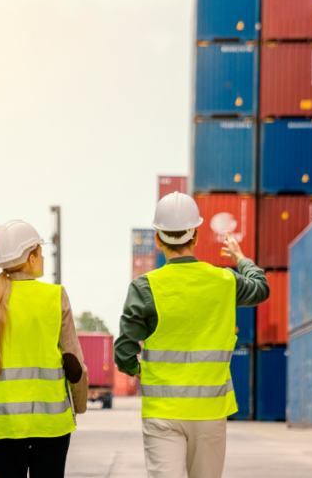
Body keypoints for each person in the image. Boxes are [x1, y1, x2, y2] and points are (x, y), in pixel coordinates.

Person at [114, 192, 270, 478]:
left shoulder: (144, 286)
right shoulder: (224, 280)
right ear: (196, 236)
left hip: (162, 412)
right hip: (210, 412)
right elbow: (261, 288)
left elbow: (123, 352)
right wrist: (240, 257)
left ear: (158, 238)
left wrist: (139, 370)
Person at [0, 220, 89, 478]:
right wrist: (79, 406)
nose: (43, 257)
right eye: (40, 251)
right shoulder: (55, 296)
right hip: (50, 425)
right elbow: (73, 364)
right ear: (30, 258)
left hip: (3, 425)